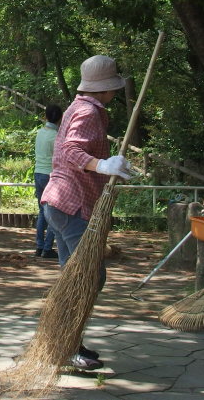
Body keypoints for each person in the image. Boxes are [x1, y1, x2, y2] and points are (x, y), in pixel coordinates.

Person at [41, 54, 134, 371]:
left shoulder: (78, 107)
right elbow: (70, 150)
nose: (115, 91)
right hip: (73, 203)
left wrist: (109, 167)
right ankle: (66, 346)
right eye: (113, 86)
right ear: (105, 88)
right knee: (88, 277)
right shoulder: (88, 111)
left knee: (74, 277)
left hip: (60, 202)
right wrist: (102, 165)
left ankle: (66, 342)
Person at [33, 104, 63, 259]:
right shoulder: (57, 137)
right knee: (53, 212)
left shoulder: (40, 132)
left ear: (45, 116)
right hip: (51, 176)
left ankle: (39, 246)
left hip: (38, 173)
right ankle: (47, 248)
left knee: (42, 211)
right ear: (60, 118)